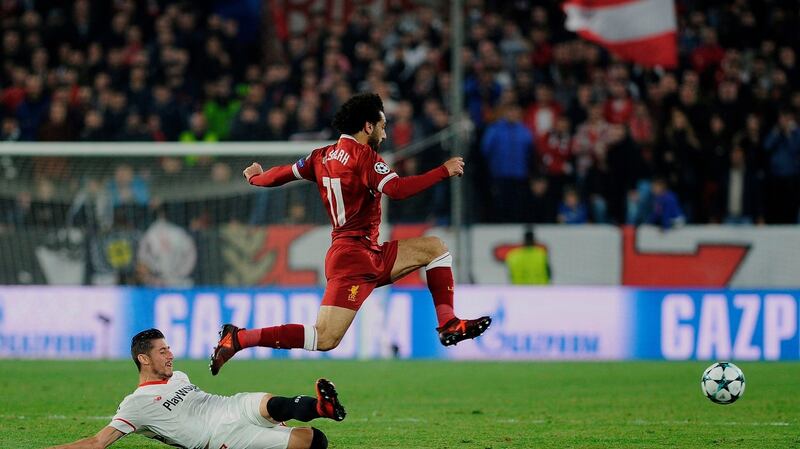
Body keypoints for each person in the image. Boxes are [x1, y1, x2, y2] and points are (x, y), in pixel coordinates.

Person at [211, 93, 490, 375]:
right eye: (383, 124)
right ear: (368, 126)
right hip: (354, 259)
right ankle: (239, 338)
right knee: (324, 338)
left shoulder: (320, 156)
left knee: (435, 248)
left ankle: (449, 323)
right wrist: (443, 170)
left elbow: (282, 174)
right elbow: (397, 190)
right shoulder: (364, 157)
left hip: (365, 253)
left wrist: (256, 177)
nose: (385, 130)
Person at [45, 329, 344, 449]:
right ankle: (316, 416)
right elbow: (98, 442)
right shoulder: (135, 405)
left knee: (272, 403)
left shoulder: (179, 377)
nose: (170, 354)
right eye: (162, 351)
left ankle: (321, 408)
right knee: (316, 441)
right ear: (143, 358)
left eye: (169, 348)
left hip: (230, 405)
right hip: (222, 436)